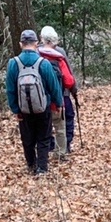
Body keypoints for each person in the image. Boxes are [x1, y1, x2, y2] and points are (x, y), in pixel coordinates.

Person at [6, 31, 62, 176]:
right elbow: (53, 86)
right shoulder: (43, 63)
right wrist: (58, 103)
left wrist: (15, 109)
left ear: (20, 44)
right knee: (43, 137)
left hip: (23, 110)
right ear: (36, 43)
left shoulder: (13, 63)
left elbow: (10, 89)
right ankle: (42, 168)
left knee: (27, 138)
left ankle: (31, 164)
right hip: (43, 107)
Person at [39, 26, 78, 156]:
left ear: (41, 38)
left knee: (46, 122)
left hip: (42, 98)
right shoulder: (59, 52)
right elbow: (69, 77)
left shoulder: (37, 53)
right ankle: (64, 145)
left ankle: (49, 146)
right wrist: (74, 90)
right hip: (62, 95)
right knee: (68, 118)